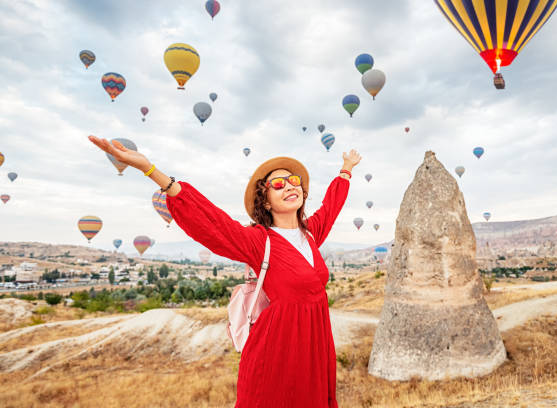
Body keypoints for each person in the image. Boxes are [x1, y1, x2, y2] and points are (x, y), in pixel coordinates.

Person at [88, 135, 361, 407]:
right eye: (277, 184)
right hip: (278, 347)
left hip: (315, 344)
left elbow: (332, 205)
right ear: (265, 202)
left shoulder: (312, 234)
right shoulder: (258, 241)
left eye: (294, 181)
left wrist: (346, 169)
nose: (289, 186)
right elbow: (212, 221)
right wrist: (150, 170)